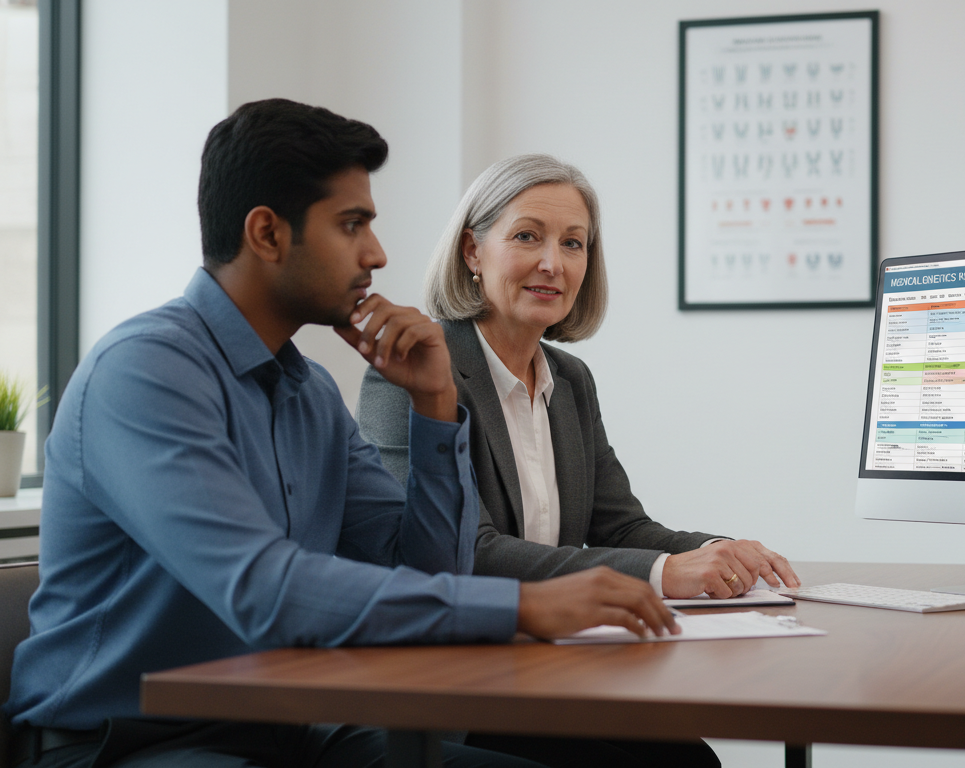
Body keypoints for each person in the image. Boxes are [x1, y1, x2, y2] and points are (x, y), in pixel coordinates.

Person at [3, 101, 677, 768]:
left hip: (288, 724)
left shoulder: (309, 392)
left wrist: (436, 404)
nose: (377, 253)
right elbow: (266, 591)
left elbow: (431, 571)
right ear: (267, 234)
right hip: (129, 743)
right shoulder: (146, 372)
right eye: (352, 225)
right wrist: (521, 605)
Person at [358, 154, 803, 768]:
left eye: (574, 243)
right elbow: (469, 550)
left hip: (552, 668)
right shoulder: (410, 374)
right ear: (471, 251)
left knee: (690, 760)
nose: (553, 263)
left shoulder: (569, 379)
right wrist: (666, 572)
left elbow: (619, 527)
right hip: (457, 683)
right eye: (527, 236)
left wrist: (717, 550)